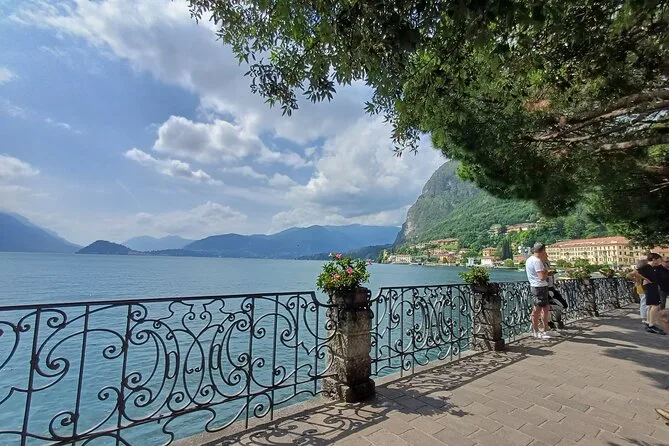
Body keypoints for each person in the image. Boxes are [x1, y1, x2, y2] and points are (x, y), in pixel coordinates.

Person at [629, 253, 669, 335]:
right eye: (659, 259)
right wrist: (642, 279)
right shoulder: (646, 267)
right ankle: (651, 325)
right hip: (650, 288)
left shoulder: (653, 267)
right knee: (655, 306)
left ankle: (649, 323)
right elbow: (630, 275)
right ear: (654, 259)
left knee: (651, 306)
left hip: (653, 288)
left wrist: (645, 279)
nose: (660, 261)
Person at [526, 243, 553, 339]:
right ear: (542, 251)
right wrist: (547, 272)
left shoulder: (530, 259)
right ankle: (536, 331)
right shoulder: (537, 261)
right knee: (537, 309)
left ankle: (546, 330)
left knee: (545, 308)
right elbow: (541, 277)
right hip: (539, 287)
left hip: (538, 286)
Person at [627, 259, 648, 327]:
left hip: (640, 286)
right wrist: (636, 280)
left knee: (644, 301)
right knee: (644, 301)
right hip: (641, 287)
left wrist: (635, 280)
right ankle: (644, 317)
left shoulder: (640, 270)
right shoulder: (638, 270)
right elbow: (628, 275)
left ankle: (645, 317)